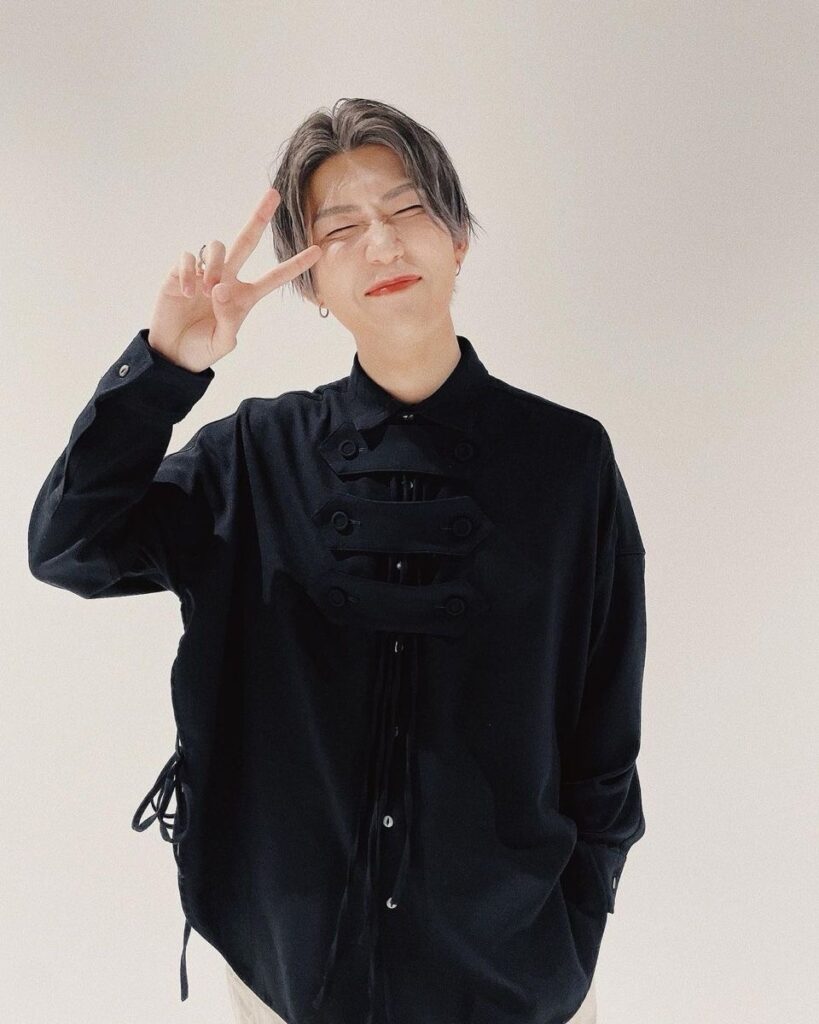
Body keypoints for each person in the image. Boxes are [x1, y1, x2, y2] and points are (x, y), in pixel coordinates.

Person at [28, 97, 646, 1024]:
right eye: (341, 229)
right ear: (310, 282)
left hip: (514, 973)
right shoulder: (254, 455)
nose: (382, 245)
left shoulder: (567, 461)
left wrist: (578, 921)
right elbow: (69, 547)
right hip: (286, 966)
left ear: (457, 240)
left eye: (407, 210)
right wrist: (164, 368)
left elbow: (607, 718)